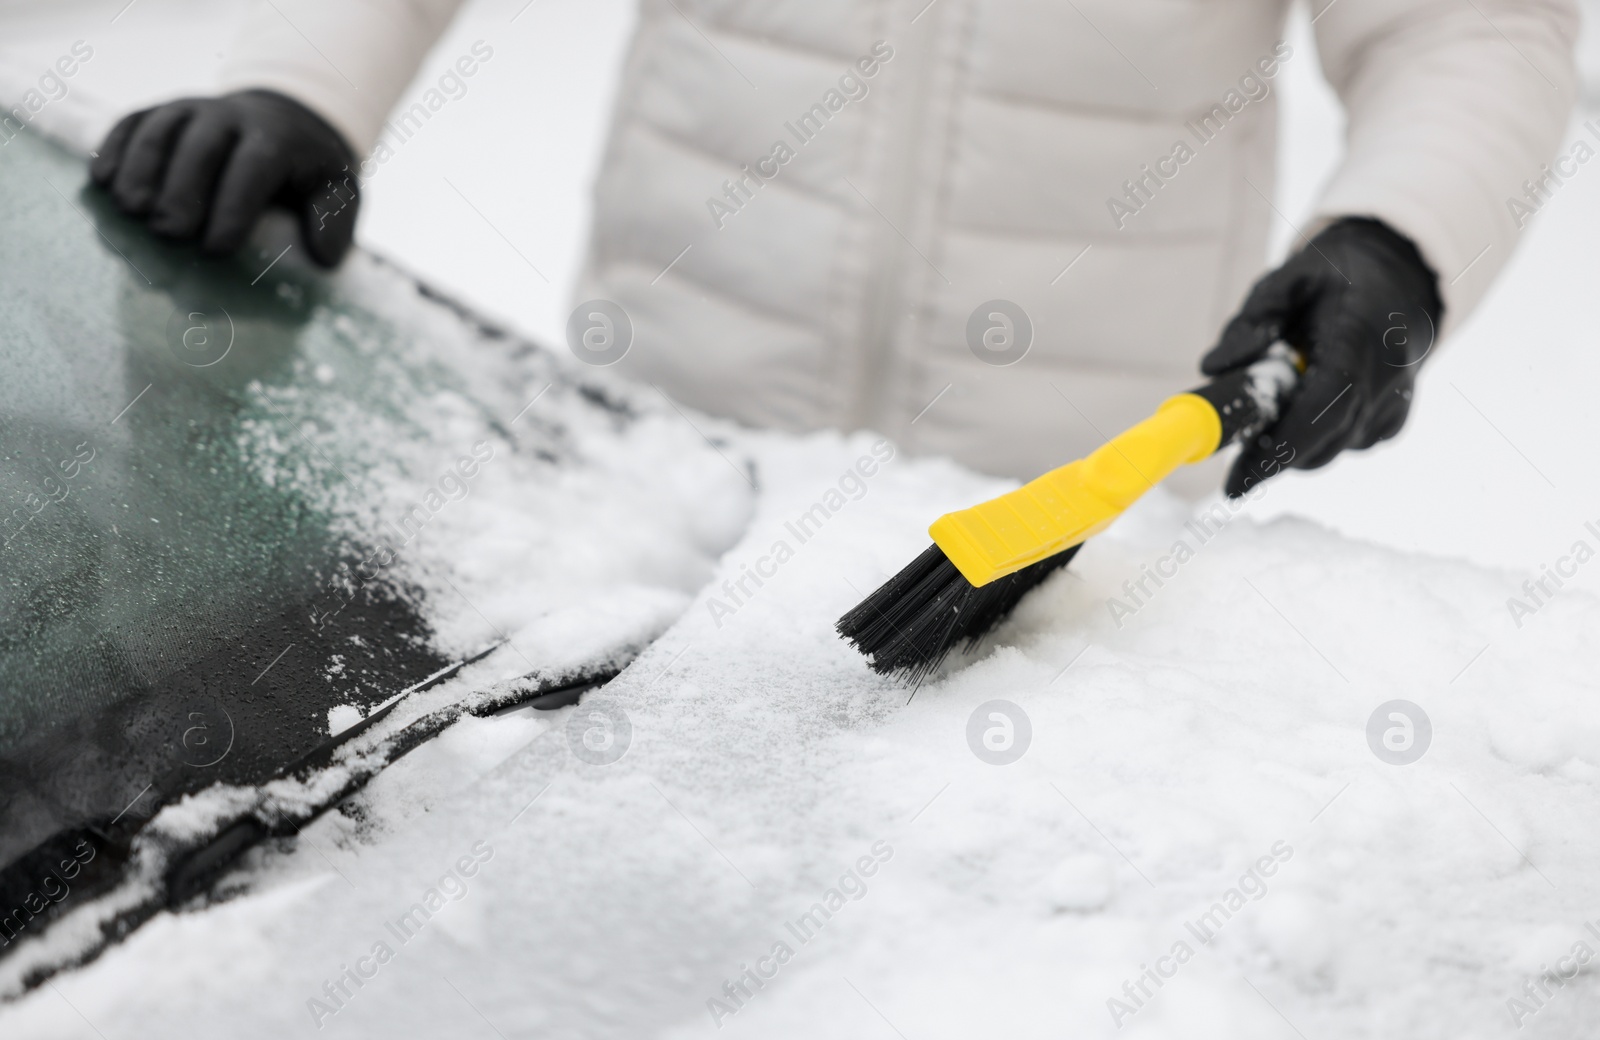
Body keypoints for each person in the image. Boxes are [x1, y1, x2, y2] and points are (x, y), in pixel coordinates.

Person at [89, 0, 1578, 496]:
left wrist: (1400, 239)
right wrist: (305, 83)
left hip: (1065, 520)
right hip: (665, 463)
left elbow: (1467, 28)